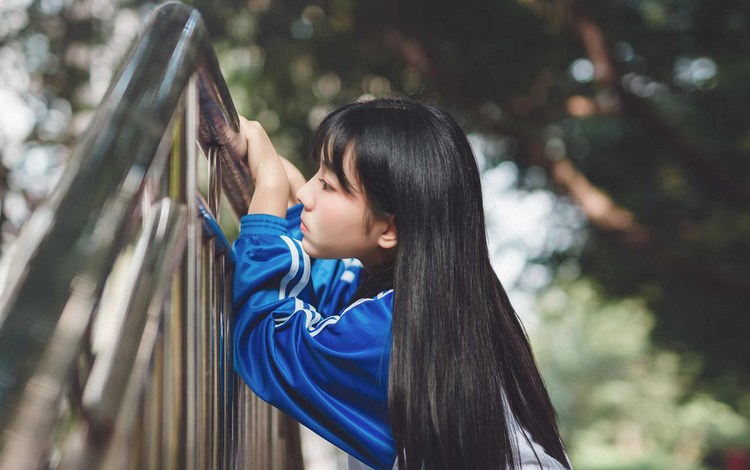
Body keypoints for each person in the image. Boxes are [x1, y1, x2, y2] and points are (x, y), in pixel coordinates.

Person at [233, 98, 572, 470]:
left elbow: (267, 336)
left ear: (390, 227)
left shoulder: (392, 330)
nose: (305, 194)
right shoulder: (440, 305)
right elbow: (332, 293)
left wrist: (269, 185)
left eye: (327, 185)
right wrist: (289, 192)